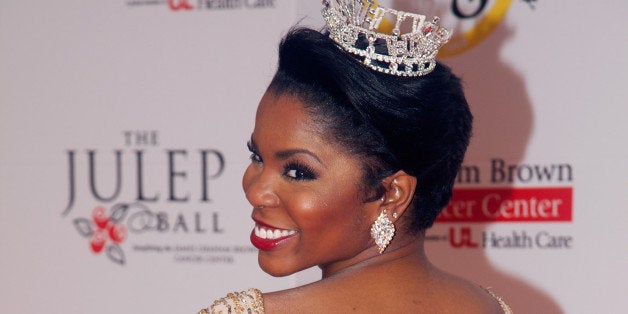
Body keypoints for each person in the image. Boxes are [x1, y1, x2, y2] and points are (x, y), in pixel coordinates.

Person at [199, 1, 511, 313]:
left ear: (391, 194)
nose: (255, 191)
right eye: (257, 156)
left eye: (297, 172)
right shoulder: (490, 307)